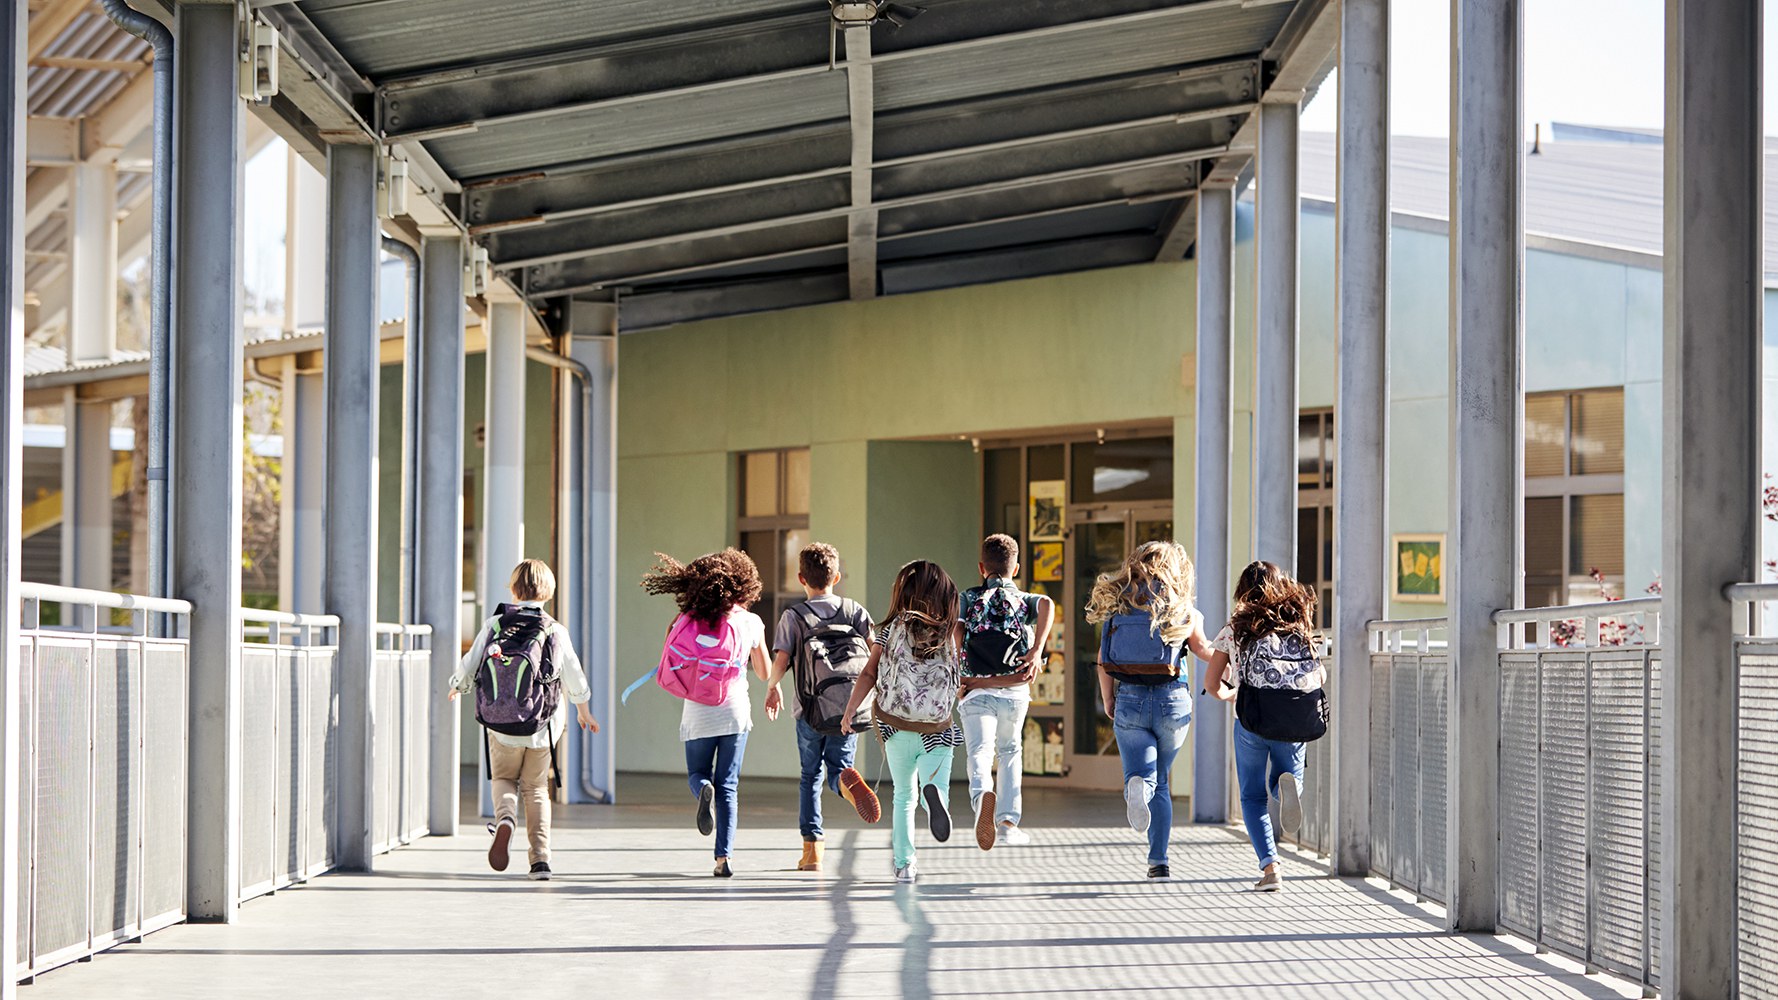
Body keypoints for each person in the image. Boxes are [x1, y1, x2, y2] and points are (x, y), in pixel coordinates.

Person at [449, 559, 598, 882]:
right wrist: (583, 710)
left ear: (514, 591)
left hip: (500, 724)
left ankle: (505, 821)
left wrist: (456, 687)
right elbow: (574, 675)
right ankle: (540, 861)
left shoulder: (495, 624)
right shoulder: (555, 630)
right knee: (535, 789)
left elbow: (470, 663)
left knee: (503, 780)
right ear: (549, 593)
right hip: (542, 727)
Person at [640, 549, 771, 878]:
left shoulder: (685, 619)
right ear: (744, 584)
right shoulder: (750, 622)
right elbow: (765, 671)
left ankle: (702, 791)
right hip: (735, 713)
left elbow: (673, 660)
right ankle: (723, 859)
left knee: (698, 773)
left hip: (697, 714)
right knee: (728, 786)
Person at [1085, 540, 1211, 881]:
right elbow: (1204, 650)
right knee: (1162, 783)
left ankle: (1137, 785)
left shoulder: (1118, 605)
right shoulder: (1182, 609)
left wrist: (1109, 699)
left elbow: (1103, 660)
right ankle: (1159, 862)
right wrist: (1231, 663)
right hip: (1173, 702)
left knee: (1142, 774)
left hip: (1131, 699)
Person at [1198, 561, 1327, 892]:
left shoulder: (1235, 629)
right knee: (1287, 778)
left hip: (1251, 721)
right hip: (1294, 719)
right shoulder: (1298, 625)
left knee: (1252, 797)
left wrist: (1232, 696)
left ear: (1243, 590)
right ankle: (1288, 787)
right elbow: (1319, 675)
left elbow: (1212, 684)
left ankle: (1271, 869)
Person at [840, 560, 964, 884]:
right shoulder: (952, 628)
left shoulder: (890, 628)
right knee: (935, 785)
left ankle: (904, 864)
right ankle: (934, 795)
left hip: (895, 725)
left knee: (903, 796)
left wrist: (851, 709)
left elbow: (869, 673)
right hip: (937, 727)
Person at [763, 543, 883, 872]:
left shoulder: (794, 616)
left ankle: (812, 852)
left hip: (809, 710)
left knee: (809, 776)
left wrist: (772, 687)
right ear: (837, 577)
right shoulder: (854, 610)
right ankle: (847, 782)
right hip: (848, 707)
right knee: (837, 768)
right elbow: (877, 655)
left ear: (801, 577)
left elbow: (782, 659)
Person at [957, 534, 1053, 850]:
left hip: (975, 690)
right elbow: (1048, 604)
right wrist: (1037, 650)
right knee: (1010, 751)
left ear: (981, 567)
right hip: (1014, 691)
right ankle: (1009, 823)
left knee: (980, 752)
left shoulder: (968, 598)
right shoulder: (1024, 599)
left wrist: (961, 672)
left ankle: (982, 798)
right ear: (1017, 568)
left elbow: (956, 632)